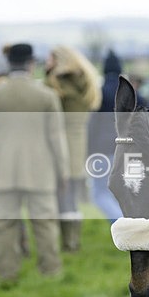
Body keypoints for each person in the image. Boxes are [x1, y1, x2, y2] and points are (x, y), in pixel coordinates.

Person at [0, 43, 69, 285]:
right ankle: (51, 272)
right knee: (45, 225)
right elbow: (57, 138)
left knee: (5, 225)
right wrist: (63, 172)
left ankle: (7, 274)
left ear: (8, 64)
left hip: (3, 171)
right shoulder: (46, 96)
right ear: (31, 64)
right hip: (41, 171)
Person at [44, 45, 102, 250]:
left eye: (49, 58)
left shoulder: (56, 85)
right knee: (71, 199)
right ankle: (73, 242)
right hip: (79, 146)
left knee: (61, 198)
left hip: (60, 147)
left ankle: (67, 243)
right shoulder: (86, 82)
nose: (46, 62)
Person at [88, 49, 124, 221]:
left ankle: (122, 225)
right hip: (127, 150)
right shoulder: (131, 92)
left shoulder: (100, 93)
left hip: (102, 150)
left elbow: (92, 124)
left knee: (100, 194)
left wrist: (88, 149)